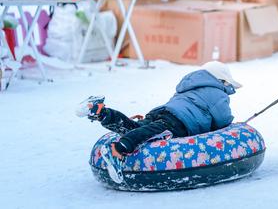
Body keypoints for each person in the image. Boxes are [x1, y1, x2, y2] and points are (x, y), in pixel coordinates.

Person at [75, 61, 240, 183]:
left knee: (136, 128)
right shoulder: (219, 93)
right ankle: (118, 150)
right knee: (157, 132)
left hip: (162, 111)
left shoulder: (189, 85)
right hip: (180, 121)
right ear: (223, 81)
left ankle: (102, 112)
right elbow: (222, 120)